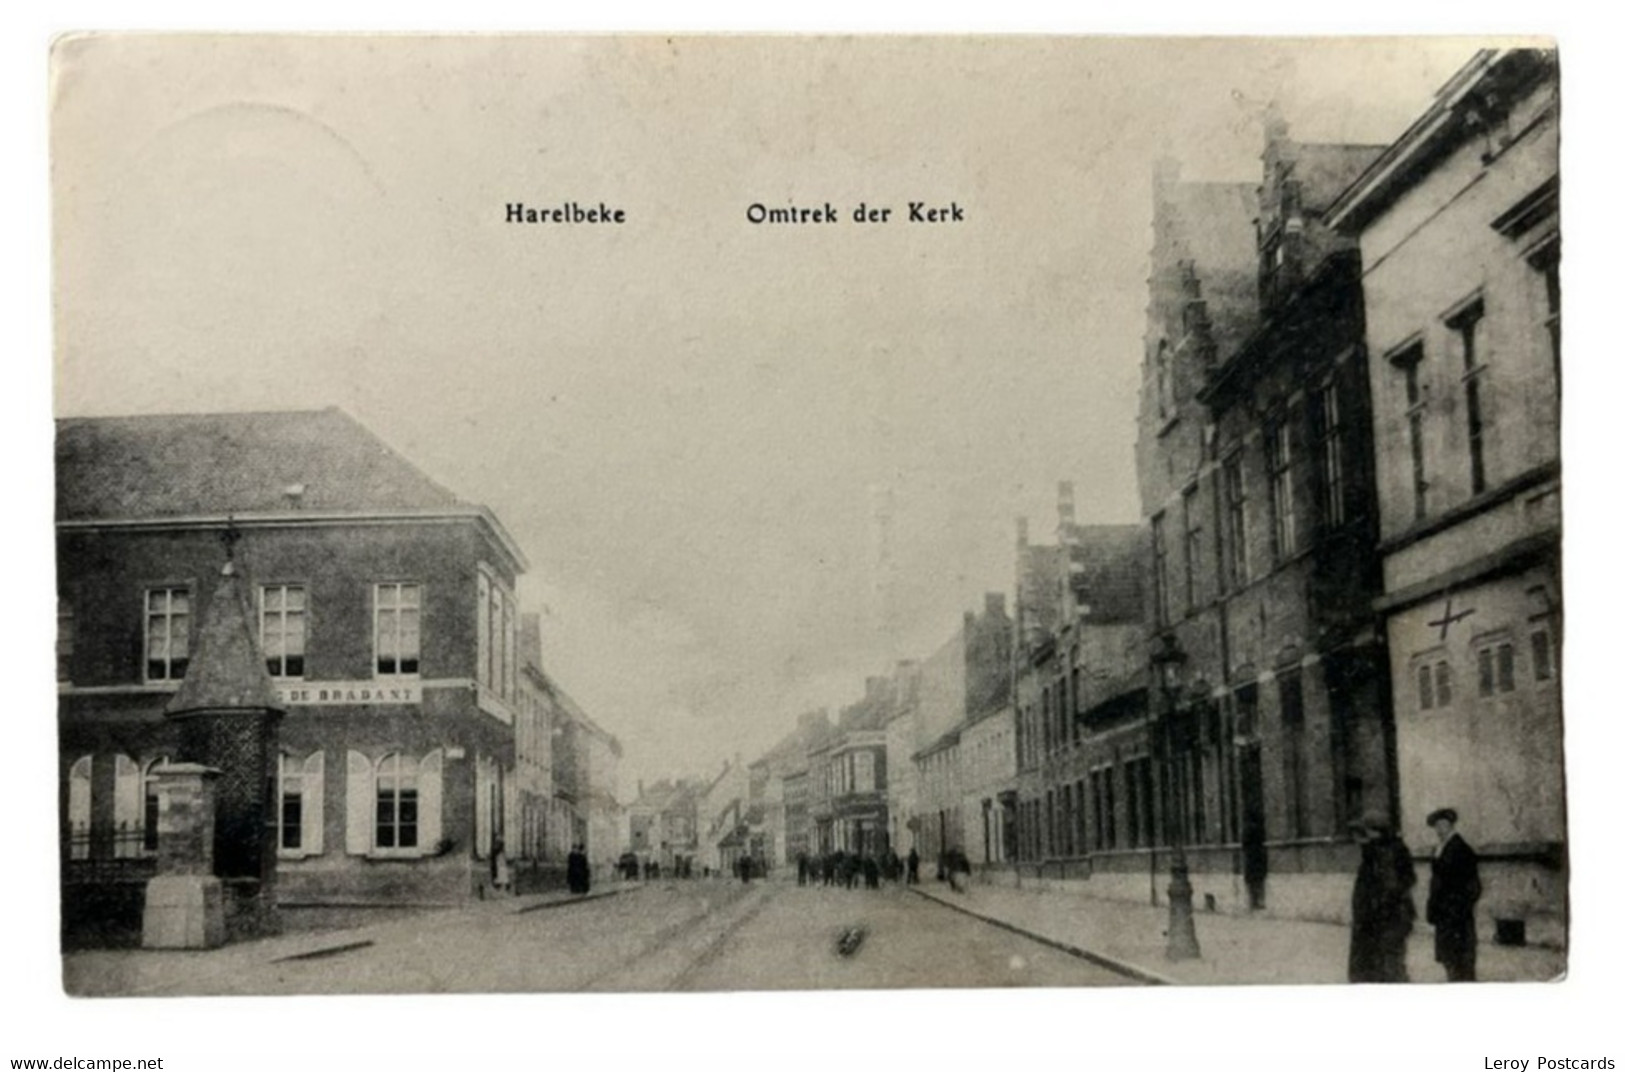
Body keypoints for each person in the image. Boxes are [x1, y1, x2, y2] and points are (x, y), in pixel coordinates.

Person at [1347, 812, 1417, 983]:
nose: (1360, 838)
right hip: (1383, 921)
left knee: (1388, 970)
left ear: (1375, 832)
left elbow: (1389, 889)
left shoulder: (1383, 853)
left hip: (1385, 922)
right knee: (1385, 968)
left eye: (1364, 832)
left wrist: (1372, 914)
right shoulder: (1382, 851)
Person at [1426, 807, 1482, 982]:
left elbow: (1473, 887)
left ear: (1451, 826)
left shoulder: (1461, 850)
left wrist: (1457, 908)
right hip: (1445, 915)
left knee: (1460, 960)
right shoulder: (1440, 848)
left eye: (1442, 825)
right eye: (1436, 826)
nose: (1438, 829)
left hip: (1457, 917)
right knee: (1449, 959)